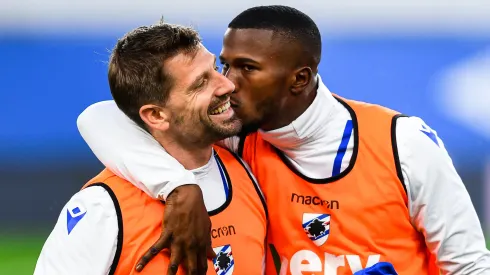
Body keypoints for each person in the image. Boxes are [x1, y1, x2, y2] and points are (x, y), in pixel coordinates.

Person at [77, 5, 490, 275]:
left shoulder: (403, 143)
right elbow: (100, 117)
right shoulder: (234, 140)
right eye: (225, 65)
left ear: (300, 79)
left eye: (247, 69)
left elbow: (470, 266)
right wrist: (180, 187)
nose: (227, 83)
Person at [34, 22, 267, 275]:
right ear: (156, 115)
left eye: (214, 68)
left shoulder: (248, 170)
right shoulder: (102, 208)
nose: (227, 85)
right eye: (201, 83)